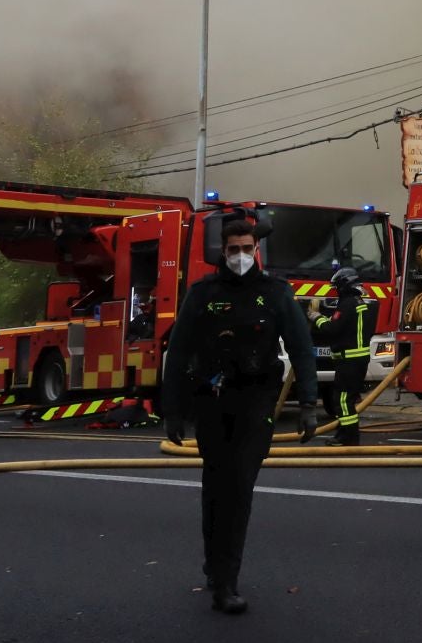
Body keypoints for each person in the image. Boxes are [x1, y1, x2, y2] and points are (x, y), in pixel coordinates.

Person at [160, 213, 320, 614]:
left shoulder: (276, 293)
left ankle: (227, 580)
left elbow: (302, 350)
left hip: (256, 403)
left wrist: (308, 406)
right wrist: (173, 412)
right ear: (223, 251)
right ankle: (215, 568)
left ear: (257, 249)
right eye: (234, 250)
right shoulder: (202, 294)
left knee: (239, 487)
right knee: (216, 488)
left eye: (248, 249)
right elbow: (178, 353)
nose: (241, 256)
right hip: (213, 402)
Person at [311, 266, 375, 446]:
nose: (336, 291)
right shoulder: (360, 302)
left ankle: (350, 438)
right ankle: (342, 434)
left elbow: (332, 328)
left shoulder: (347, 304)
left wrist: (316, 317)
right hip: (356, 360)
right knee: (345, 399)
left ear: (344, 286)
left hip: (349, 361)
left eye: (337, 287)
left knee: (343, 400)